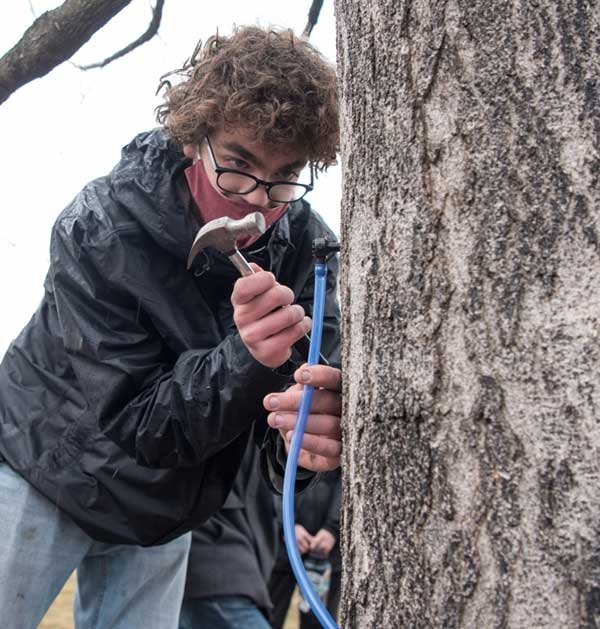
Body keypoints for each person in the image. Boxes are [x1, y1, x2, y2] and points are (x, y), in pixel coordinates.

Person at [0, 25, 342, 629]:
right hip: (42, 475)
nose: (256, 205)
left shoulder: (306, 246)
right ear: (192, 140)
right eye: (236, 167)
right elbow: (139, 422)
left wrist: (301, 440)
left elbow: (284, 426)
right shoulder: (99, 228)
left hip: (169, 508)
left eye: (285, 176)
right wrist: (246, 356)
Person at [269, 469, 342, 628]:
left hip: (328, 552)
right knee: (269, 616)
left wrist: (332, 528)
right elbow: (274, 476)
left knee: (318, 621)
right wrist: (288, 525)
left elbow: (349, 479)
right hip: (285, 546)